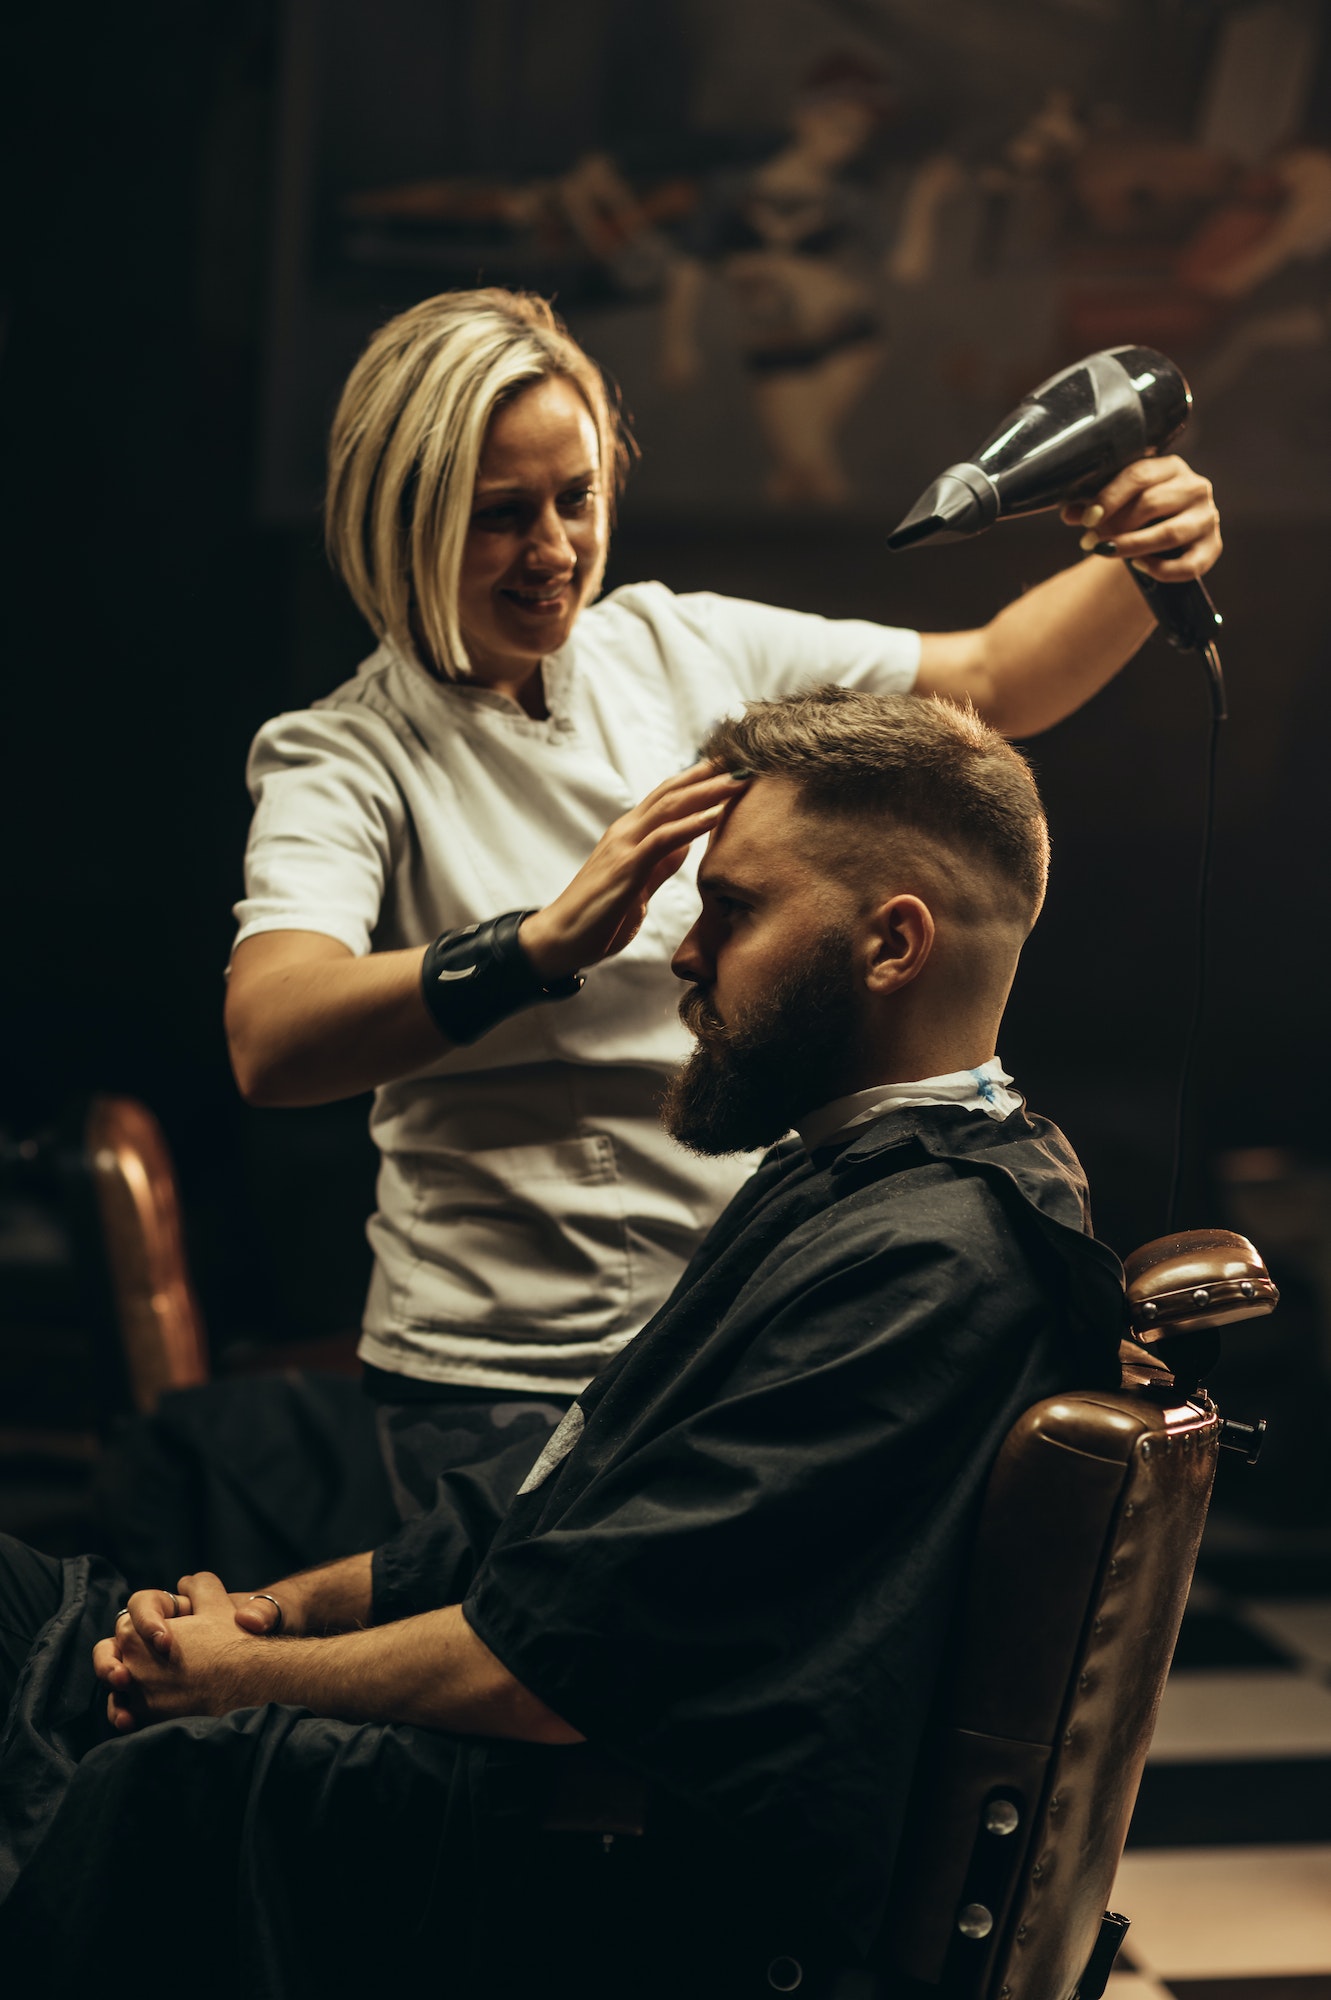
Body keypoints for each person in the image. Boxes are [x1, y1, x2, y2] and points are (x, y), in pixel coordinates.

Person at [0, 690, 1125, 1996]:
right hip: (560, 1791)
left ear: (892, 944)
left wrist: (248, 1675)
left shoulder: (931, 1256)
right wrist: (275, 1610)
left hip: (614, 1886)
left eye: (732, 909)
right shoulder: (855, 1178)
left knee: (148, 1755)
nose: (683, 955)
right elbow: (549, 1509)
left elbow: (571, 1670)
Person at [109, 281, 1214, 1585]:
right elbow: (271, 1035)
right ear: (399, 517)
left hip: (733, 1333)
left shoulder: (674, 646)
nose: (555, 549)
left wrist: (1145, 560)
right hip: (497, 1378)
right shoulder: (344, 756)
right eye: (502, 515)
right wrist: (532, 948)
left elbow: (997, 682)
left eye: (575, 499)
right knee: (577, 1722)